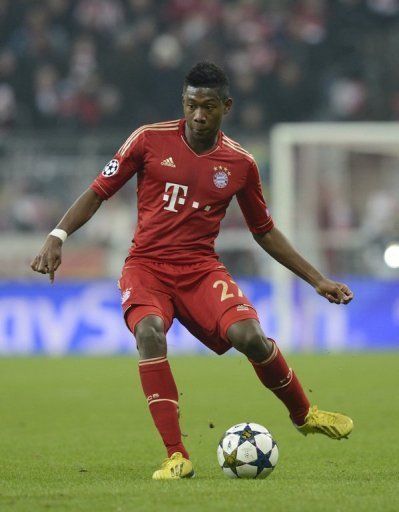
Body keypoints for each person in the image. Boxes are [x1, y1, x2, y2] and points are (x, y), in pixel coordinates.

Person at [31, 61, 354, 480]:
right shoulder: (147, 140)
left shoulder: (240, 164)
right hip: (146, 267)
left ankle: (304, 413)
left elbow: (265, 231)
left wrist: (318, 279)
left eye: (208, 107)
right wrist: (58, 234)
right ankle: (176, 455)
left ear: (227, 106)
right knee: (149, 332)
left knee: (251, 337)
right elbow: (98, 191)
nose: (199, 115)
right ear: (182, 103)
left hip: (200, 269)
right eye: (191, 105)